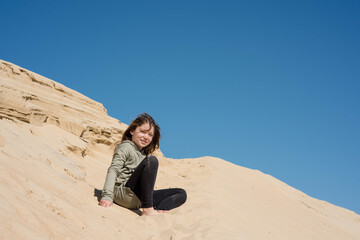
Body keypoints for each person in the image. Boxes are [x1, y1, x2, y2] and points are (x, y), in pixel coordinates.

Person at [99, 113, 187, 216]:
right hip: (122, 193)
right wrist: (107, 196)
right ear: (132, 131)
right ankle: (148, 210)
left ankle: (160, 211)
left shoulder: (143, 155)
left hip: (138, 199)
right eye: (142, 132)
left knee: (181, 194)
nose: (146, 137)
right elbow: (113, 170)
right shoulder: (126, 147)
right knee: (152, 160)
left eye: (150, 135)